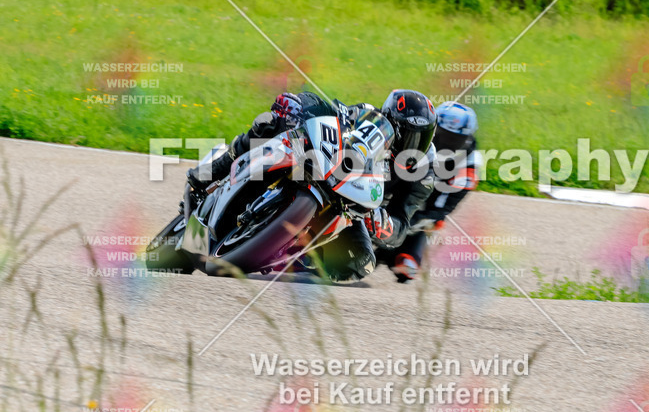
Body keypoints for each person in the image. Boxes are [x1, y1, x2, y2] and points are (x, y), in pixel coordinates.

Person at [186, 89, 437, 282]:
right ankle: (211, 171)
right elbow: (331, 111)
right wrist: (299, 104)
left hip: (358, 209)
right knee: (270, 123)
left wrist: (387, 227)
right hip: (327, 167)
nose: (410, 143)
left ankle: (295, 260)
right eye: (405, 133)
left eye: (419, 137)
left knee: (361, 262)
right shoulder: (367, 114)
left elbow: (403, 222)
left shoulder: (424, 173)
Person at [378, 100, 479, 282]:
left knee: (407, 266)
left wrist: (411, 220)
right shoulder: (416, 138)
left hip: (423, 207)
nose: (445, 143)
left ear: (467, 140)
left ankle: (395, 251)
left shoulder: (469, 165)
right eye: (441, 135)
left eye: (454, 139)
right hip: (392, 187)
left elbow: (442, 209)